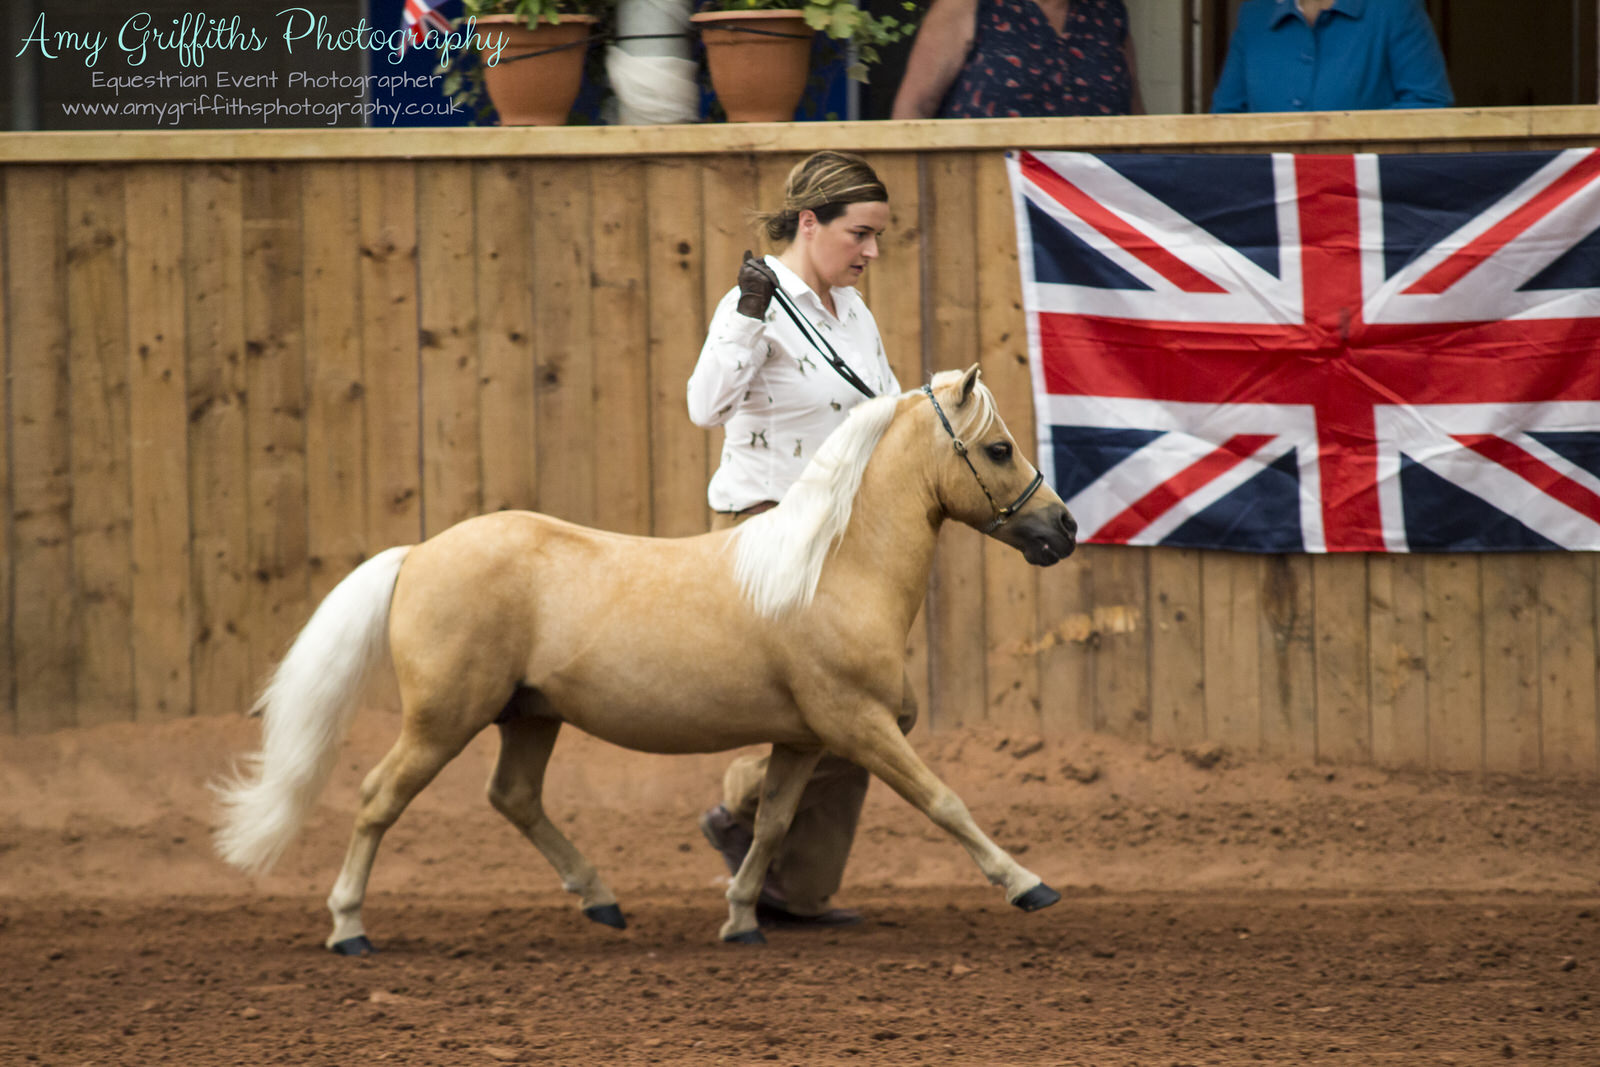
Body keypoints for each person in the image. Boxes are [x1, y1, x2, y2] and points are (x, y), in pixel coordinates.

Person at [686, 150, 909, 928]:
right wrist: (748, 316)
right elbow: (704, 406)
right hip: (769, 529)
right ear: (809, 224)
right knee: (871, 707)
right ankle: (751, 819)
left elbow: (885, 411)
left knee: (879, 708)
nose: (871, 253)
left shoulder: (856, 312)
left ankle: (786, 875)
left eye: (878, 237)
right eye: (860, 235)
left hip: (842, 537)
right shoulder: (752, 304)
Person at [890, 0, 1142, 120]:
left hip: (1092, 210)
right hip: (985, 201)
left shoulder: (1109, 12)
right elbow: (913, 110)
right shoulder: (966, 6)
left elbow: (1136, 118)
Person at [1211, 0, 1453, 113]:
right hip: (1270, 195)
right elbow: (1225, 116)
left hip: (1364, 195)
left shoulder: (1393, 8)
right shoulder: (1255, 15)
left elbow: (1429, 106)